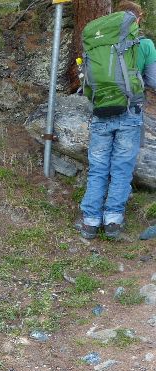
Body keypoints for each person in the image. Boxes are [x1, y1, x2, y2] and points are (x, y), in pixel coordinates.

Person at [79, 1, 156, 240]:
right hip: (129, 112)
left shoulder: (99, 42)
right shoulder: (144, 44)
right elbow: (153, 81)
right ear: (137, 19)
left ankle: (90, 222)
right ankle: (112, 220)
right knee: (121, 168)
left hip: (101, 111)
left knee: (98, 168)